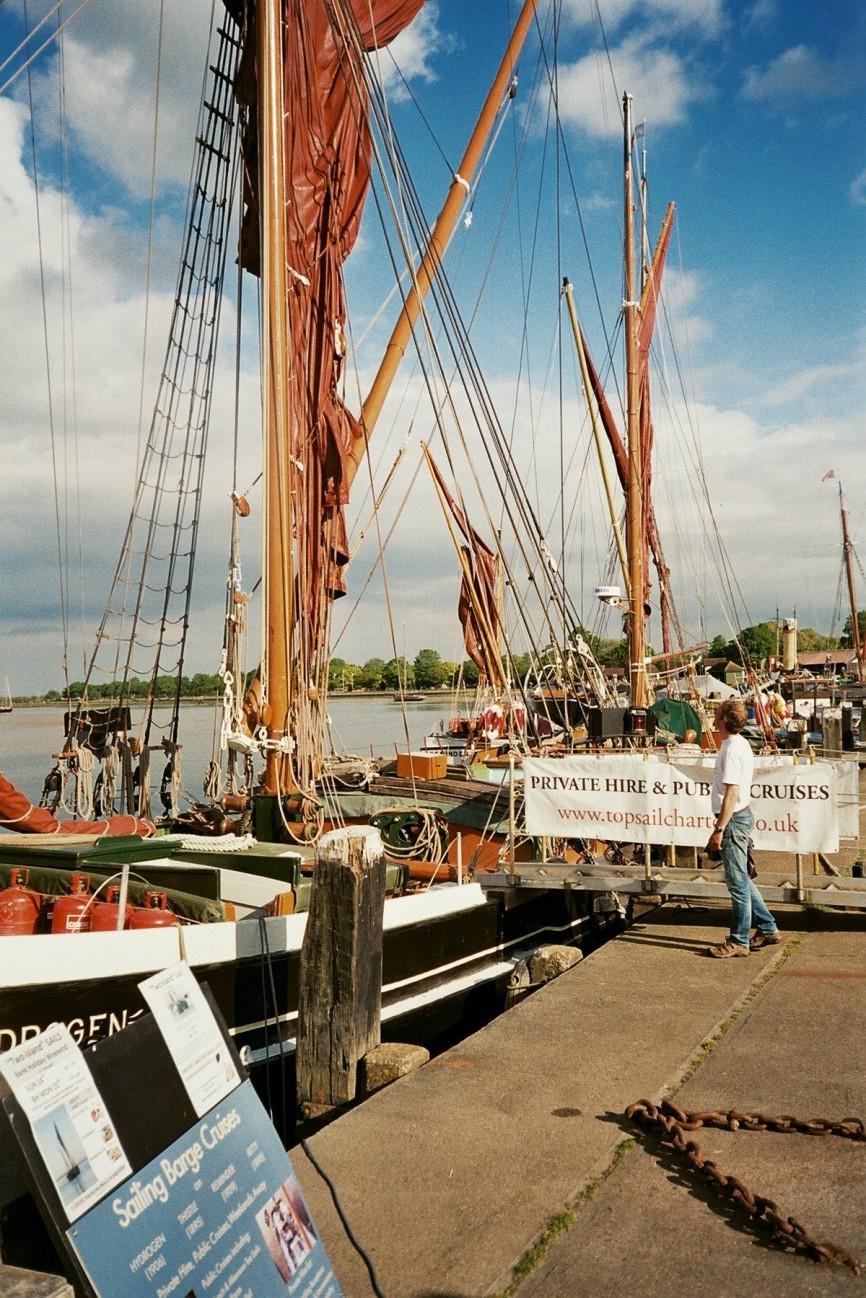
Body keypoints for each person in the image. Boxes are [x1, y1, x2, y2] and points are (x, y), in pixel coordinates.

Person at [705, 699, 781, 957]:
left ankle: (739, 940)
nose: (713, 715)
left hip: (734, 820)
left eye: (716, 713)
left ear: (723, 720)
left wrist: (719, 829)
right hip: (737, 818)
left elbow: (732, 794)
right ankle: (768, 927)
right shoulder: (737, 744)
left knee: (737, 883)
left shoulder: (732, 750)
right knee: (742, 879)